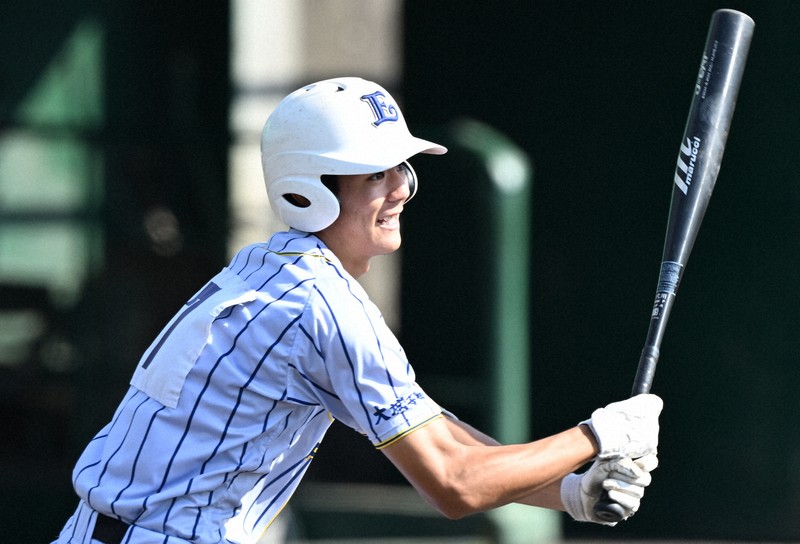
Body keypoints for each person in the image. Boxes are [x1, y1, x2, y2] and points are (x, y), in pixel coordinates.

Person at [52, 76, 663, 544]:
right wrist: (597, 434)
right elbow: (454, 484)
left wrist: (568, 492)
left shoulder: (269, 267)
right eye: (374, 173)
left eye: (400, 167)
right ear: (309, 186)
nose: (401, 187)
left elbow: (433, 430)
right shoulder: (323, 307)